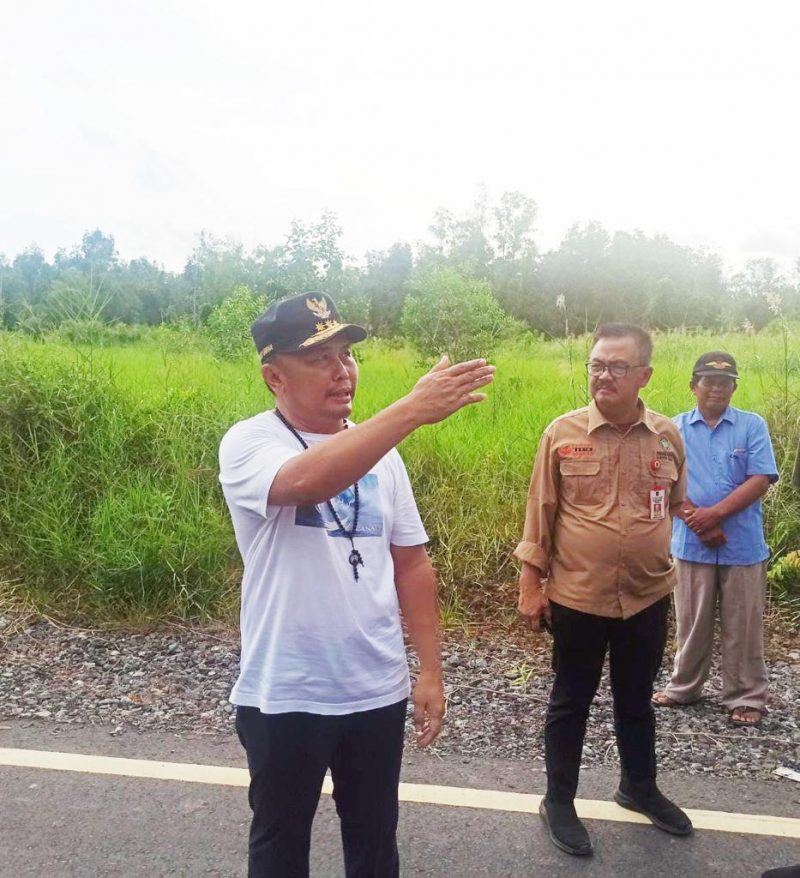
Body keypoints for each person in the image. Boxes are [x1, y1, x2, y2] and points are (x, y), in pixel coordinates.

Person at [218, 291, 495, 878]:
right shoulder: (250, 442)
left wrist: (429, 670)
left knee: (375, 841)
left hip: (374, 687)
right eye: (319, 359)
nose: (342, 371)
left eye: (346, 355)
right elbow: (303, 483)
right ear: (274, 377)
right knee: (279, 842)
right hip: (286, 690)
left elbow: (412, 563)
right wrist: (410, 411)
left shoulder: (384, 453)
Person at [516, 323, 693, 858]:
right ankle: (559, 801)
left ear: (644, 375)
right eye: (596, 365)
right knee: (571, 700)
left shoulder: (666, 436)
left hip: (646, 594)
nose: (603, 375)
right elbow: (540, 512)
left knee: (636, 699)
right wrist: (531, 582)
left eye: (617, 367)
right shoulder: (563, 432)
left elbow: (675, 502)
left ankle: (637, 787)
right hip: (578, 596)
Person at [653, 352, 778, 726]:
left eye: (725, 382)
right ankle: (684, 687)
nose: (717, 388)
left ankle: (746, 696)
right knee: (691, 621)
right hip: (691, 543)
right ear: (694, 386)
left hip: (742, 545)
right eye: (709, 381)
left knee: (744, 623)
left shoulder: (751, 426)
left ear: (734, 388)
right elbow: (663, 480)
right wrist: (700, 524)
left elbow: (760, 479)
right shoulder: (672, 429)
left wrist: (715, 515)